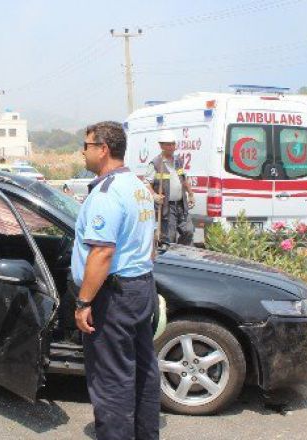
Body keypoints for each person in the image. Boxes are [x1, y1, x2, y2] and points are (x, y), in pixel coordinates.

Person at [72, 121, 159, 440]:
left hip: (115, 295)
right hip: (140, 286)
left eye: (87, 145)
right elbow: (150, 243)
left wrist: (83, 302)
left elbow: (102, 254)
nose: (83, 152)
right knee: (143, 371)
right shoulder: (138, 186)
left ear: (103, 149)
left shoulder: (106, 193)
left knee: (111, 381)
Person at [144, 130, 195, 245]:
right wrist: (154, 195)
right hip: (167, 207)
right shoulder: (155, 163)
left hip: (181, 205)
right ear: (161, 146)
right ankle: (168, 258)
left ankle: (181, 254)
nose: (171, 147)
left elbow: (183, 179)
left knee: (189, 231)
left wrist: (191, 194)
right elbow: (147, 184)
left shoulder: (178, 161)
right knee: (169, 237)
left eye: (173, 144)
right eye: (168, 144)